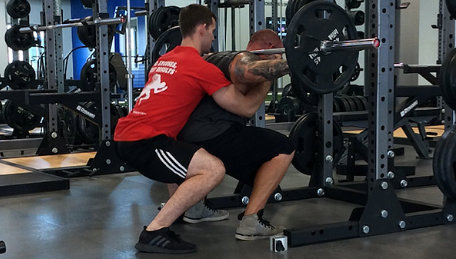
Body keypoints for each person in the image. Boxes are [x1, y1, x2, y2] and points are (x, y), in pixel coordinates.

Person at [114, 4, 289, 254]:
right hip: (145, 142)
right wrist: (276, 69)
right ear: (202, 28)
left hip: (131, 136)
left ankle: (190, 211)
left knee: (193, 156)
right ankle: (154, 232)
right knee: (213, 169)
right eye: (213, 31)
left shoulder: (166, 59)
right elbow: (246, 108)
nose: (213, 37)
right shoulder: (200, 67)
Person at [177, 29, 294, 241]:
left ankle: (195, 208)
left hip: (185, 135)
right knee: (283, 147)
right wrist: (293, 61)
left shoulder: (217, 56)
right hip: (212, 135)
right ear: (270, 47)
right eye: (279, 53)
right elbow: (249, 71)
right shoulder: (243, 59)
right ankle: (251, 221)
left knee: (244, 142)